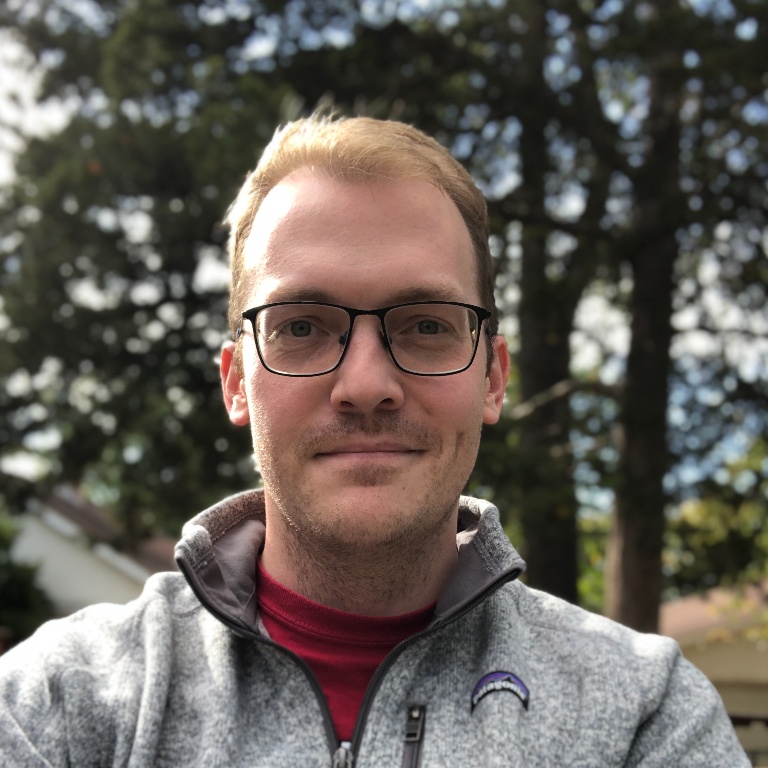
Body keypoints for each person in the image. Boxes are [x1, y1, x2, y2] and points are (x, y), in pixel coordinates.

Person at [0, 115, 748, 767]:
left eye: (425, 325)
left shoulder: (642, 715)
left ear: (492, 377)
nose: (365, 384)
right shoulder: (60, 705)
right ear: (235, 383)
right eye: (300, 326)